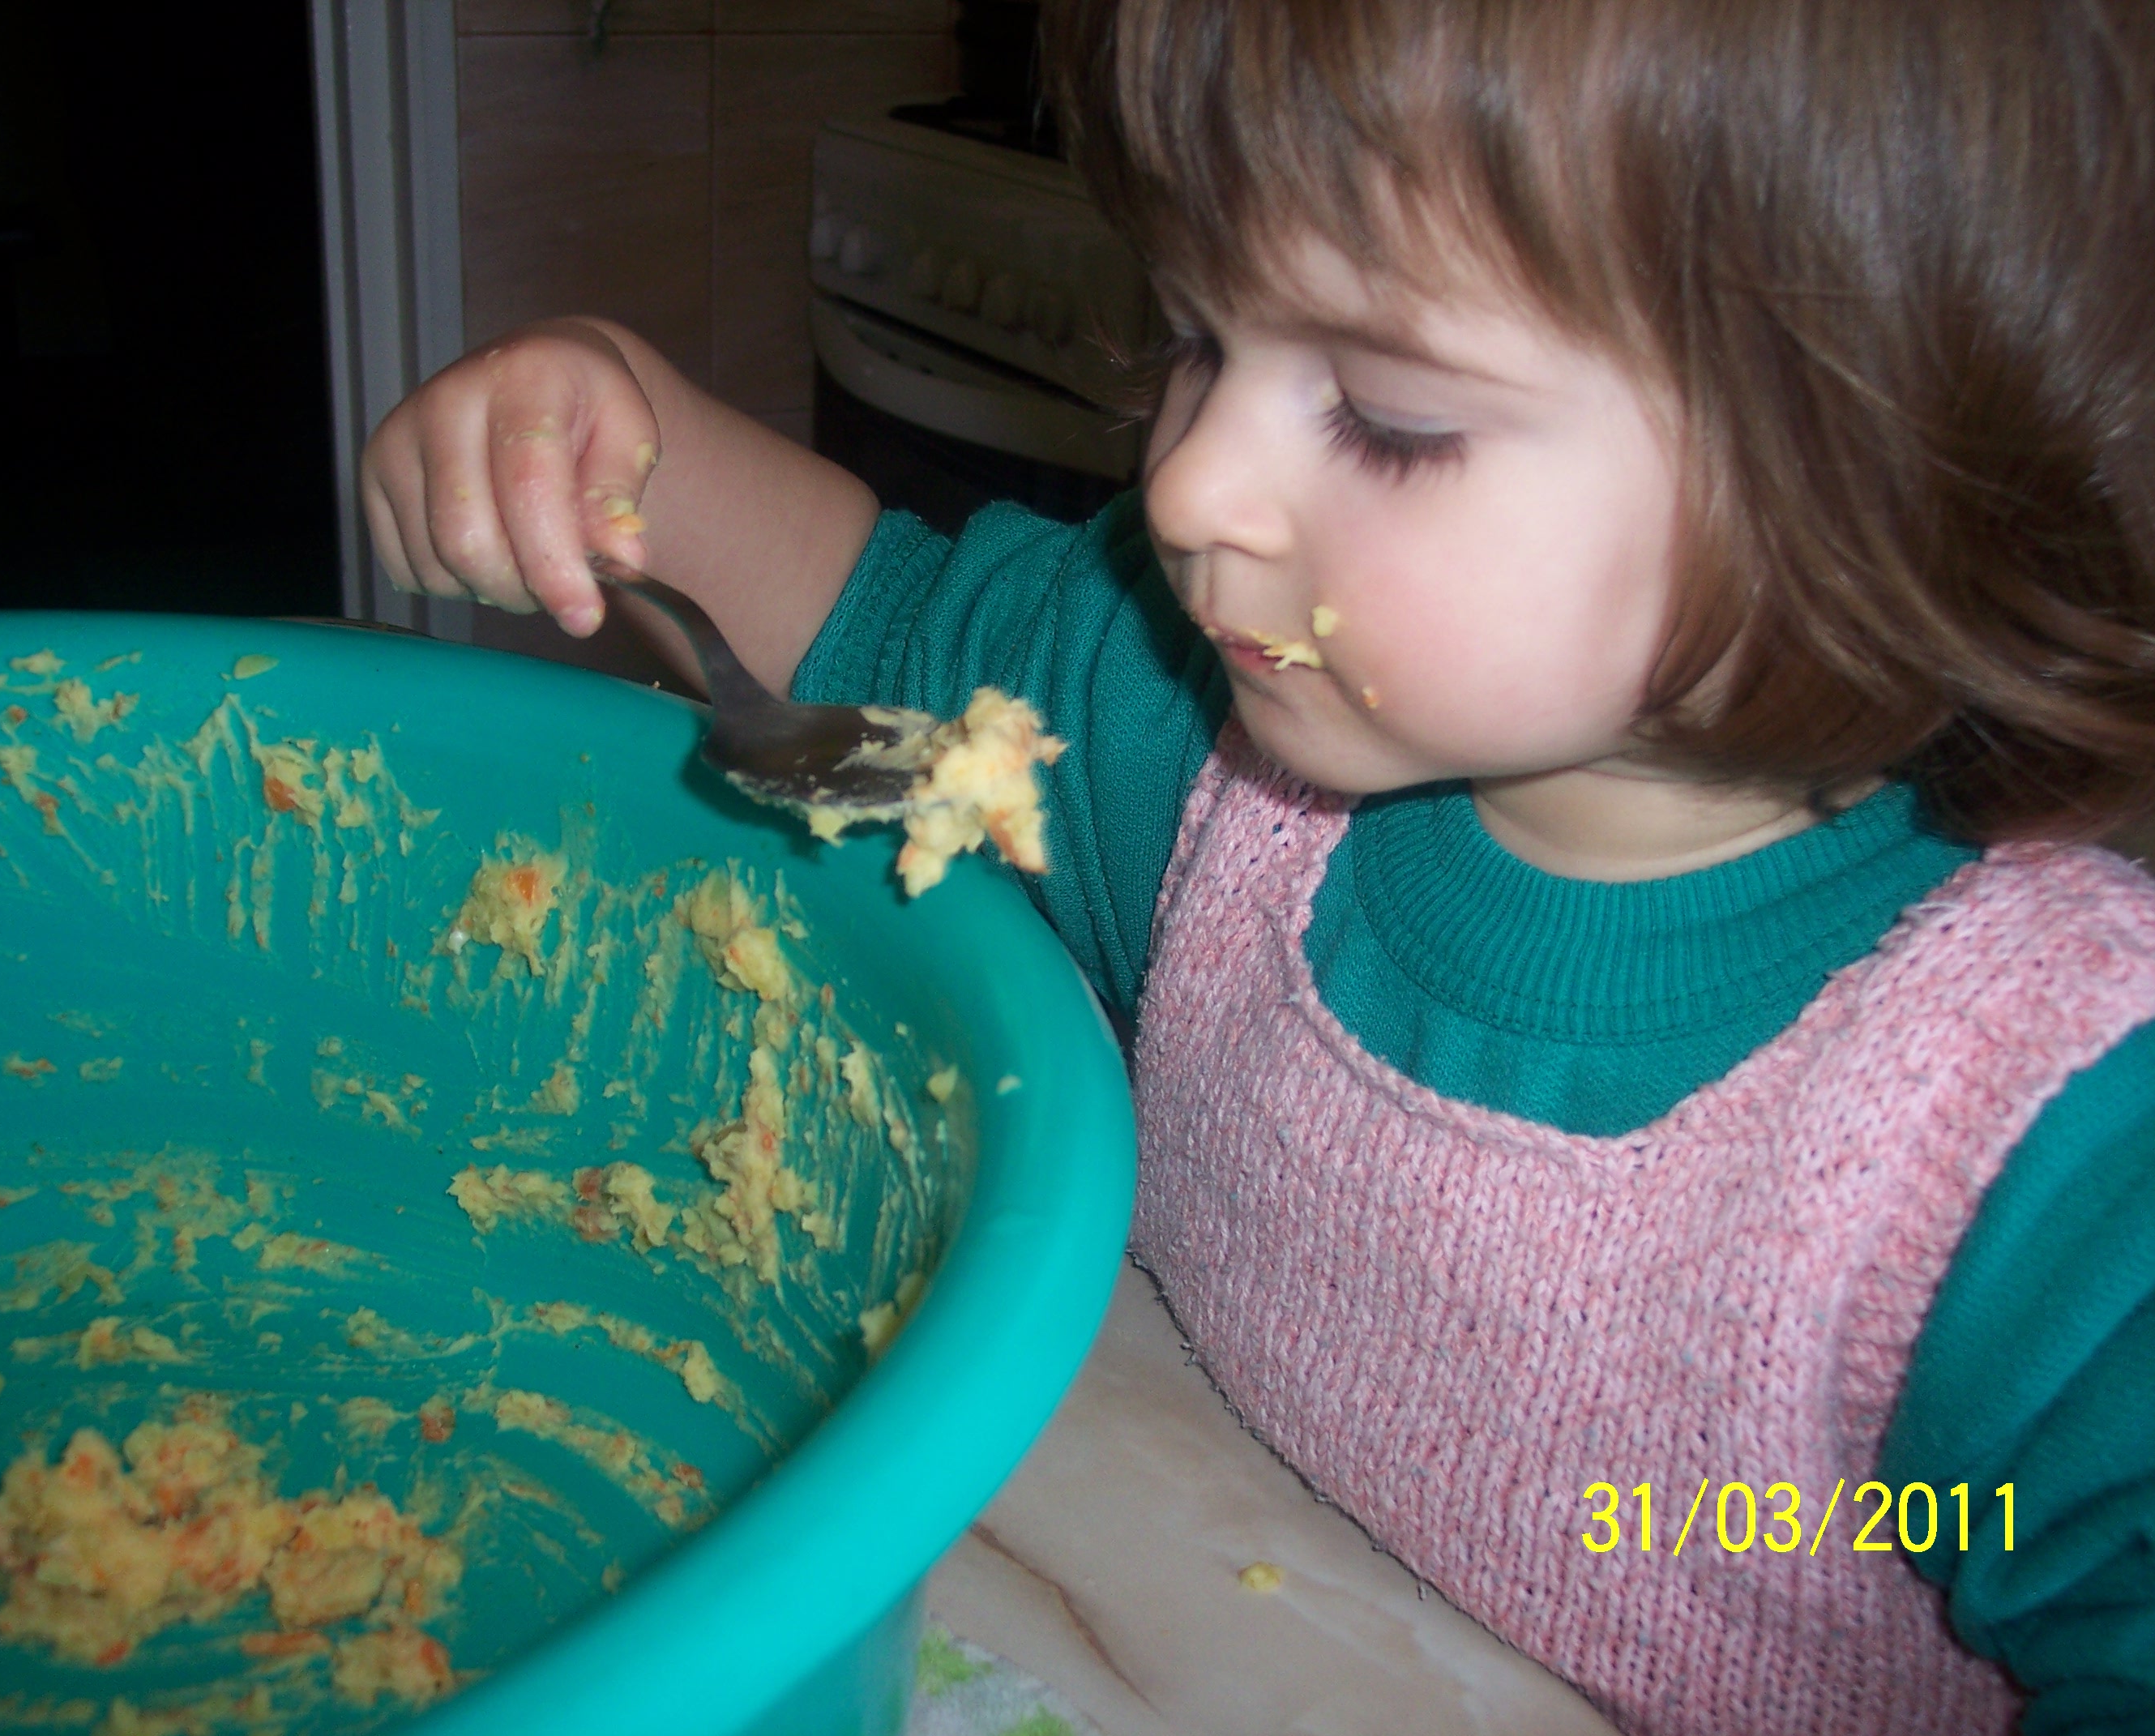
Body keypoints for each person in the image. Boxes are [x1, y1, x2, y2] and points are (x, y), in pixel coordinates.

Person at [360, 0, 2155, 1728]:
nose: (1191, 483)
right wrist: (627, 456)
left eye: (1390, 415)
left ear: (1874, 470)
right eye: (1203, 339)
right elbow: (870, 626)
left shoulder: (2053, 1144)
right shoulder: (1180, 733)